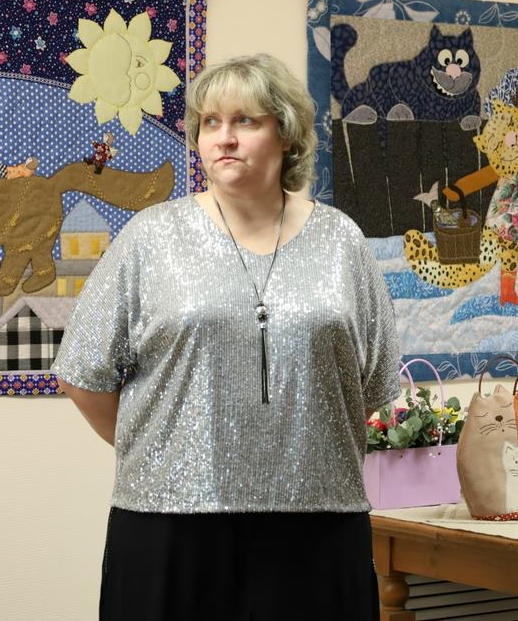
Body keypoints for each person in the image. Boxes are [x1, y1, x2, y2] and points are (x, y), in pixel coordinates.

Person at [53, 53, 399, 620]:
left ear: (286, 133)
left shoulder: (343, 242)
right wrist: (161, 448)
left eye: (245, 121)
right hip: (169, 524)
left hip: (319, 525)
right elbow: (82, 373)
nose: (224, 138)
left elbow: (370, 382)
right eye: (210, 123)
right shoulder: (150, 238)